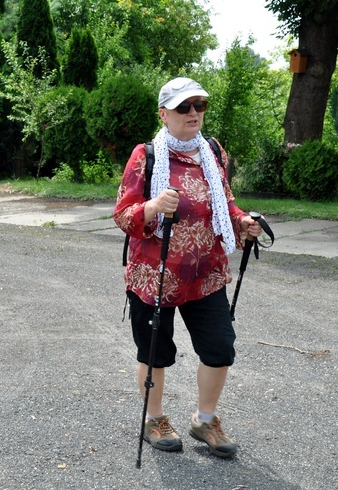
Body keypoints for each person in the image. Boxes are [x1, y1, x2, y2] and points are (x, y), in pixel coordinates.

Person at [113, 77, 263, 459]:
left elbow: (225, 202)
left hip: (205, 274)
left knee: (219, 347)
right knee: (155, 351)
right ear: (164, 114)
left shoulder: (213, 152)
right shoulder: (145, 156)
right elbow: (122, 215)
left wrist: (242, 221)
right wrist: (150, 207)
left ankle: (205, 420)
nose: (193, 113)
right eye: (184, 107)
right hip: (154, 274)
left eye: (199, 105)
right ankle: (155, 419)